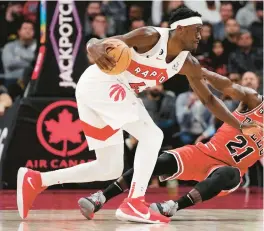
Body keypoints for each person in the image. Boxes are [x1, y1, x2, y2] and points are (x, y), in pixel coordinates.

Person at [17, 6, 260, 224]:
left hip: (105, 95)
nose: (200, 36)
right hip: (102, 83)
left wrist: (239, 127)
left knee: (109, 168)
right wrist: (93, 44)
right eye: (197, 30)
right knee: (153, 135)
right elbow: (102, 43)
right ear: (181, 29)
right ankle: (134, 202)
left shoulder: (188, 63)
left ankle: (36, 180)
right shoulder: (152, 36)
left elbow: (209, 99)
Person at [78, 66, 263, 219]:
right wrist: (204, 72)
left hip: (228, 171)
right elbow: (229, 86)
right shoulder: (255, 102)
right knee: (159, 162)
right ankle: (100, 197)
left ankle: (173, 206)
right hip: (204, 152)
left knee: (230, 173)